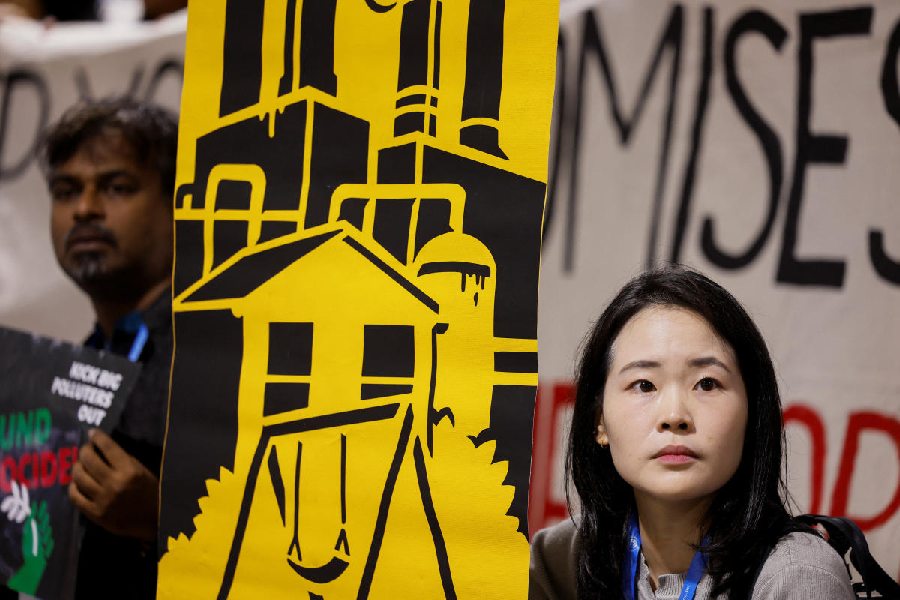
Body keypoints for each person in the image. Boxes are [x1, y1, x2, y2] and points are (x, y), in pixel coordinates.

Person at [529, 266, 854, 599]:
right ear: (599, 420)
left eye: (707, 383)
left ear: (753, 413)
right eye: (644, 385)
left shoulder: (797, 577)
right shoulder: (559, 560)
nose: (674, 416)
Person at [43, 97, 176, 599]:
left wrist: (160, 519)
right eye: (66, 190)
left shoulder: (224, 355)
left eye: (117, 187)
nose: (85, 209)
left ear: (177, 204)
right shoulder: (69, 364)